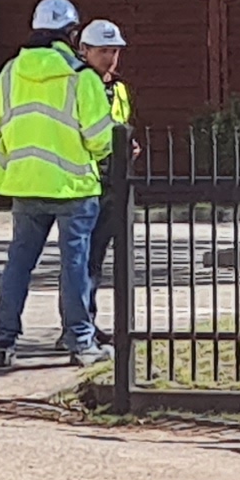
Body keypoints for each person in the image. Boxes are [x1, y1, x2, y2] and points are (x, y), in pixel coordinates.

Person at [0, 0, 117, 371]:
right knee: (74, 265)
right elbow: (100, 139)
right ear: (72, 35)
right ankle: (80, 342)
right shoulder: (80, 76)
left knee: (18, 264)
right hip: (74, 188)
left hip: (25, 184)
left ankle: (3, 343)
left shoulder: (10, 72)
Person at [78, 18, 133, 340]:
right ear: (85, 51)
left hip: (116, 180)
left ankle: (90, 323)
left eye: (114, 51)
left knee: (101, 258)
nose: (110, 58)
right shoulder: (79, 83)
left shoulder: (119, 87)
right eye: (103, 51)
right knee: (84, 260)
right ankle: (80, 323)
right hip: (87, 180)